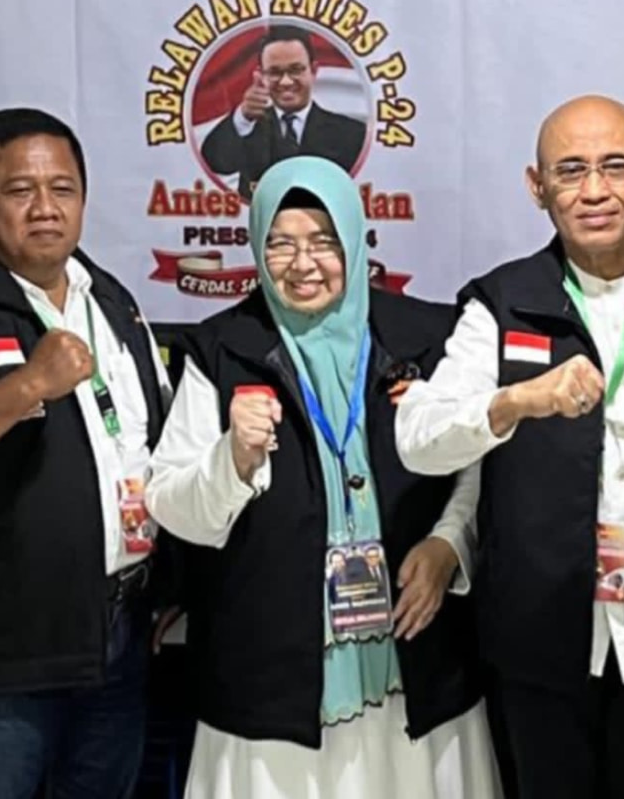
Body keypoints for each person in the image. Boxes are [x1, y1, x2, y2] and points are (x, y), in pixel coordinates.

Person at [145, 156, 503, 798]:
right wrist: (233, 459)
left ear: (356, 240)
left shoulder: (424, 336)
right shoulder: (221, 350)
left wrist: (449, 544)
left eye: (323, 242)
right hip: (274, 671)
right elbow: (172, 504)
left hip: (416, 659)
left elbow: (476, 463)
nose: (302, 264)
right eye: (279, 244)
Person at [395, 95, 624, 799]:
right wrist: (515, 401)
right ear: (537, 187)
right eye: (570, 171)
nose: (594, 190)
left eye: (615, 167)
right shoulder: (501, 303)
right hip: (540, 644)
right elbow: (418, 439)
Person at [0, 108, 171, 799]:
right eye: (20, 190)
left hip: (120, 628)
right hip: (4, 652)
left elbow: (151, 444)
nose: (45, 207)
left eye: (63, 188)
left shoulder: (113, 300)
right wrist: (28, 384)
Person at [201, 24, 367, 199]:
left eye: (296, 70)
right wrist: (243, 116)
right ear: (261, 75)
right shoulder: (246, 128)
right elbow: (215, 162)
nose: (286, 82)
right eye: (275, 72)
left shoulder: (352, 134)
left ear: (313, 71)